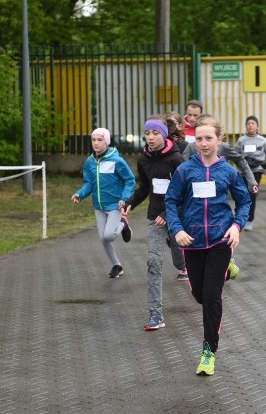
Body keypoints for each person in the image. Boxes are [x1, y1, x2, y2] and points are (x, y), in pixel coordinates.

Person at [165, 116, 251, 377]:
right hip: (192, 241)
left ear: (219, 140)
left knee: (212, 297)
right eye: (199, 138)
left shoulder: (229, 172)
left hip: (219, 240)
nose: (203, 143)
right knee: (200, 295)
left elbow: (244, 202)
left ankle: (208, 351)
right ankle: (227, 271)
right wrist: (177, 229)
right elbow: (171, 201)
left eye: (208, 138)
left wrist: (236, 226)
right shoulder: (185, 171)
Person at [122, 116, 187, 331]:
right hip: (155, 219)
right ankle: (156, 314)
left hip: (179, 217)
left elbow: (186, 192)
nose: (150, 137)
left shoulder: (176, 160)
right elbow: (144, 188)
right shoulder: (144, 161)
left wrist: (168, 213)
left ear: (164, 135)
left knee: (187, 261)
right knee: (154, 262)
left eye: (155, 133)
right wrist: (131, 202)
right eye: (147, 133)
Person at [72, 128, 136, 278]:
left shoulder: (117, 160)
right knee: (103, 239)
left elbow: (130, 180)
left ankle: (123, 224)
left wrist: (124, 198)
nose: (96, 143)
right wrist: (79, 194)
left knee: (109, 236)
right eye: (93, 140)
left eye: (100, 140)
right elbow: (89, 183)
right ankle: (117, 265)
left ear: (106, 142)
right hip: (98, 206)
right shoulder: (90, 162)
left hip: (115, 205)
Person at [235, 115, 266, 231]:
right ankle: (240, 218)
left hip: (257, 170)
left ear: (257, 126)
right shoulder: (241, 140)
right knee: (242, 194)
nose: (250, 125)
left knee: (252, 194)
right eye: (248, 123)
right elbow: (235, 155)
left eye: (253, 123)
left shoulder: (263, 140)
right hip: (244, 171)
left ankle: (249, 220)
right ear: (246, 126)